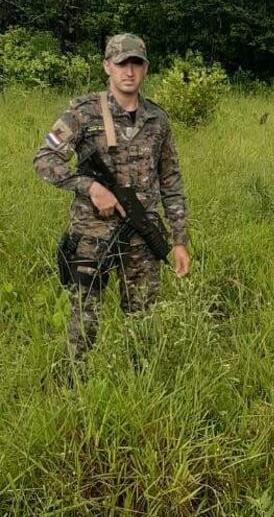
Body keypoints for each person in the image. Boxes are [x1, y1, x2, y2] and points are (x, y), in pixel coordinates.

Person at [34, 33, 190, 367]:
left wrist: (179, 241)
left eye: (136, 63)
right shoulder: (83, 113)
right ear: (108, 66)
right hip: (93, 234)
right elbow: (45, 159)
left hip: (142, 234)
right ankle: (75, 382)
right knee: (84, 319)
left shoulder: (157, 120)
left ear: (145, 68)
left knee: (142, 317)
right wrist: (90, 187)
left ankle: (140, 382)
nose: (129, 71)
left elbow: (171, 182)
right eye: (121, 63)